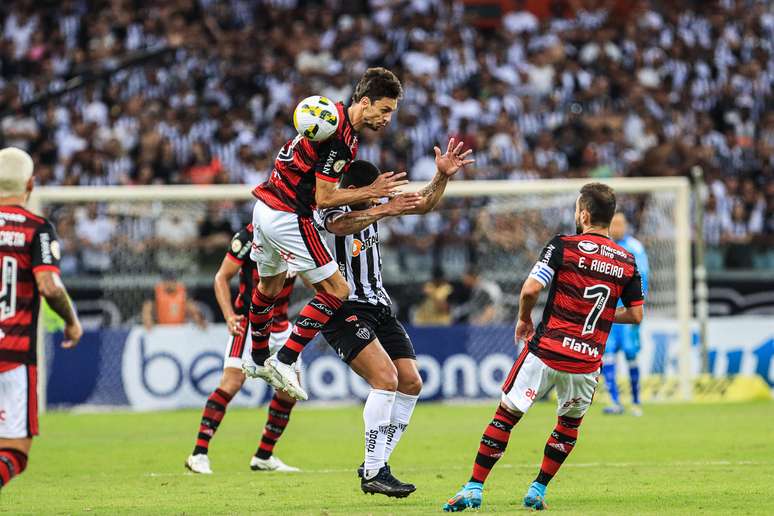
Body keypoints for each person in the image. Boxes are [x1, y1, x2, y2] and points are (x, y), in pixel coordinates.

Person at [443, 183, 644, 512]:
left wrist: (524, 320)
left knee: (506, 416)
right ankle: (538, 489)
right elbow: (636, 314)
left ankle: (474, 488)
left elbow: (531, 289)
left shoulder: (563, 245)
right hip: (586, 360)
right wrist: (603, 317)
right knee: (567, 426)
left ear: (584, 214)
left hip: (547, 351)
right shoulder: (627, 261)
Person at [317, 139, 474, 497]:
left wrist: (441, 177)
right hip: (343, 308)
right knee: (385, 379)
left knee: (411, 382)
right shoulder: (328, 210)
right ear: (353, 189)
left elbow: (424, 204)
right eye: (373, 193)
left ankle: (376, 462)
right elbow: (340, 227)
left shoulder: (372, 207)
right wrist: (384, 209)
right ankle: (374, 471)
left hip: (379, 307)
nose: (378, 200)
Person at [242, 67, 407, 401]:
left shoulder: (329, 115)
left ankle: (258, 358)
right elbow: (324, 199)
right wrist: (369, 191)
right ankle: (285, 359)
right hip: (289, 215)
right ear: (365, 102)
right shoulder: (343, 139)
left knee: (268, 287)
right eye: (385, 109)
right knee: (337, 290)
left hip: (264, 208)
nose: (388, 118)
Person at [0, 147, 83, 491]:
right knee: (15, 453)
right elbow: (48, 286)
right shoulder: (36, 228)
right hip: (12, 357)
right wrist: (71, 320)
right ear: (31, 184)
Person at [186, 224, 299, 474]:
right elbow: (221, 277)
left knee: (289, 394)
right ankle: (199, 454)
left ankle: (264, 456)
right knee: (232, 382)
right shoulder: (249, 235)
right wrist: (228, 315)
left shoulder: (299, 232)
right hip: (248, 322)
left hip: (280, 326)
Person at [602, 212, 650, 416]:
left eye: (621, 223)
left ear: (626, 225)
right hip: (610, 312)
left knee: (631, 353)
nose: (617, 227)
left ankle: (636, 401)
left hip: (628, 313)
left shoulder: (635, 248)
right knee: (608, 354)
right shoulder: (604, 247)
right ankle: (615, 401)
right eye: (614, 223)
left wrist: (638, 306)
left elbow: (643, 277)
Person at [141, 273, 206, 330]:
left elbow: (193, 308)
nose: (168, 284)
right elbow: (147, 308)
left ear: (175, 282)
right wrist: (147, 320)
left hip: (180, 329)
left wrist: (199, 319)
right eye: (166, 281)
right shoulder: (156, 292)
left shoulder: (183, 292)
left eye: (171, 281)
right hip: (162, 329)